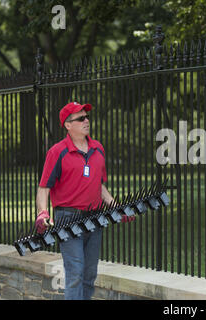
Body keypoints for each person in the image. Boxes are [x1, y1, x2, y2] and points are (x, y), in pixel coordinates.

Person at [35, 101, 132, 300]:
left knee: (89, 275)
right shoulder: (57, 152)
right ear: (68, 125)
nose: (86, 120)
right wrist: (43, 212)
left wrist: (117, 209)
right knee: (75, 274)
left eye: (86, 116)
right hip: (68, 218)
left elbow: (100, 187)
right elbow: (44, 187)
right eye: (80, 118)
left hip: (95, 220)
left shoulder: (98, 149)